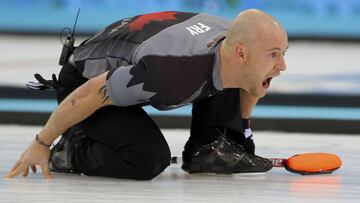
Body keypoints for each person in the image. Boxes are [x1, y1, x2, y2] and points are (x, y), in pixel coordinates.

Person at [5, 9, 288, 180]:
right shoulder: (168, 72)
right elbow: (90, 93)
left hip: (159, 57)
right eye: (274, 55)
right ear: (240, 52)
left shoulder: (236, 43)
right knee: (147, 159)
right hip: (82, 81)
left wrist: (244, 133)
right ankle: (73, 150)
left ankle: (208, 148)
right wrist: (42, 142)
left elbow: (254, 81)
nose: (282, 66)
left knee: (237, 76)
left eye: (283, 54)